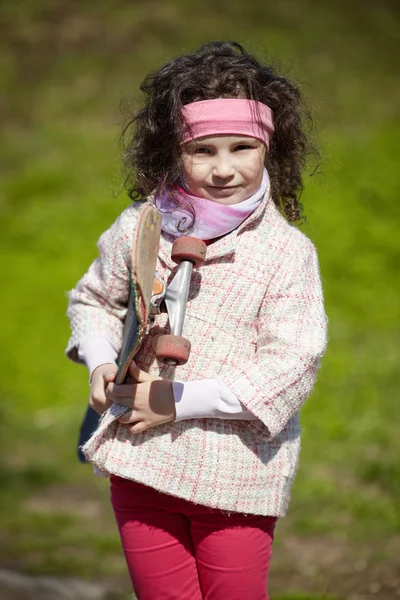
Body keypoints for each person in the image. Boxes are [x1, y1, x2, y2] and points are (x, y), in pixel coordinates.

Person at [66, 41, 327, 600]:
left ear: (271, 147)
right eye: (202, 150)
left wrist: (175, 402)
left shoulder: (286, 252)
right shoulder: (143, 224)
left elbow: (293, 363)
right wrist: (100, 360)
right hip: (139, 466)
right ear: (171, 151)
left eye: (242, 147)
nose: (224, 168)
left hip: (236, 474)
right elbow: (95, 300)